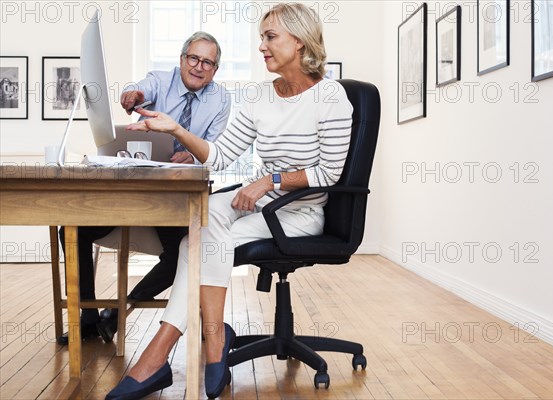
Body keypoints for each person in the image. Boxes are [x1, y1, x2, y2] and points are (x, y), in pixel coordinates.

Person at [105, 3, 353, 399]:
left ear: (300, 41)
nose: (262, 47)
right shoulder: (258, 96)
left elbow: (330, 175)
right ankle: (213, 340)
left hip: (299, 212)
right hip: (261, 203)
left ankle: (160, 355)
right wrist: (176, 129)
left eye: (270, 37)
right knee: (198, 225)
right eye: (262, 38)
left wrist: (269, 180)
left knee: (203, 241)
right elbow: (219, 155)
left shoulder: (332, 98)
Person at [57, 31, 231, 346]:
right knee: (72, 229)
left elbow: (215, 148)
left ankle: (120, 310)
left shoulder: (221, 100)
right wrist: (131, 95)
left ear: (215, 70)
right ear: (182, 60)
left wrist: (191, 155)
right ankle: (87, 318)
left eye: (208, 62)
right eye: (194, 58)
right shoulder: (159, 81)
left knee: (186, 254)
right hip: (133, 192)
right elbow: (137, 89)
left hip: (177, 198)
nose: (199, 66)